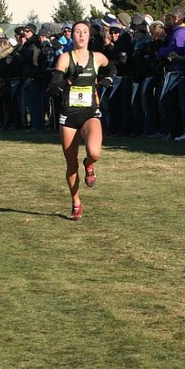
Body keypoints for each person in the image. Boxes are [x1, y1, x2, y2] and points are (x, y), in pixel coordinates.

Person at [50, 21, 111, 221]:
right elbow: (53, 88)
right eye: (77, 32)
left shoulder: (97, 57)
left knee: (94, 151)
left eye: (85, 32)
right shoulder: (65, 58)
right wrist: (68, 80)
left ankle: (90, 163)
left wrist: (106, 80)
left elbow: (113, 68)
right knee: (70, 164)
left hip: (90, 113)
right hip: (68, 115)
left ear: (89, 36)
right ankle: (76, 202)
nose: (81, 35)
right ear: (72, 36)